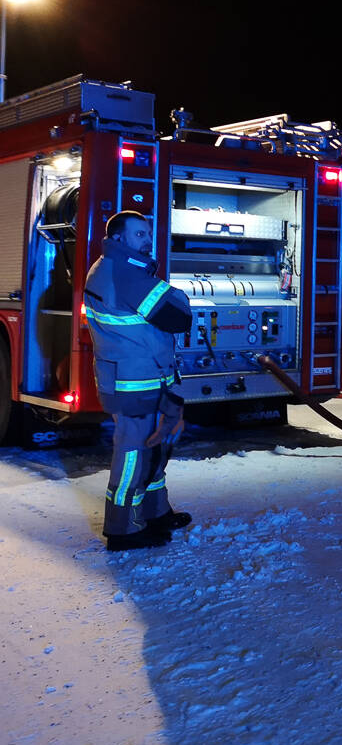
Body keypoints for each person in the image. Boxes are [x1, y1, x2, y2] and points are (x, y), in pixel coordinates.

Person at [83, 211, 193, 551]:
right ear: (118, 239)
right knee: (134, 453)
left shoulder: (116, 267)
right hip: (136, 383)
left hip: (142, 378)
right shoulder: (126, 273)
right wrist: (178, 295)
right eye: (139, 234)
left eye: (148, 234)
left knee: (155, 448)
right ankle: (123, 529)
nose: (147, 240)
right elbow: (178, 315)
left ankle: (154, 513)